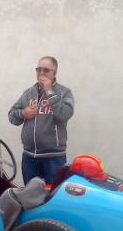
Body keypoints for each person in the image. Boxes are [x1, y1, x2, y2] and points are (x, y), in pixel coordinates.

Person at [8, 56, 75, 185]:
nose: (41, 73)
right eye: (38, 69)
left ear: (55, 73)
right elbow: (12, 116)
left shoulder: (65, 92)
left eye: (46, 70)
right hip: (29, 157)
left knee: (52, 194)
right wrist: (23, 113)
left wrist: (49, 91)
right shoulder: (28, 93)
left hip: (54, 158)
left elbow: (64, 114)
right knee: (30, 194)